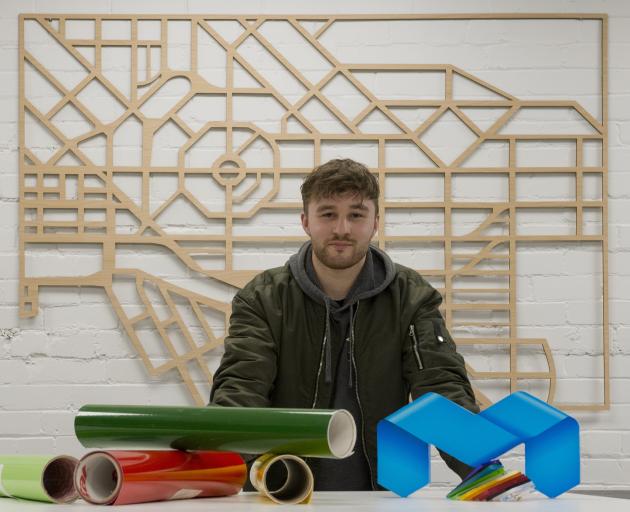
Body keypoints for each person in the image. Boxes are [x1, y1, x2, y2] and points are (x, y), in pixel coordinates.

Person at [210, 158, 480, 490]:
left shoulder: (412, 297)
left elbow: (440, 388)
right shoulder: (262, 299)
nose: (342, 229)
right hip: (282, 492)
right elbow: (242, 390)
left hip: (379, 495)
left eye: (355, 214)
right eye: (328, 214)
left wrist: (486, 470)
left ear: (375, 222)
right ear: (306, 221)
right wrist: (212, 475)